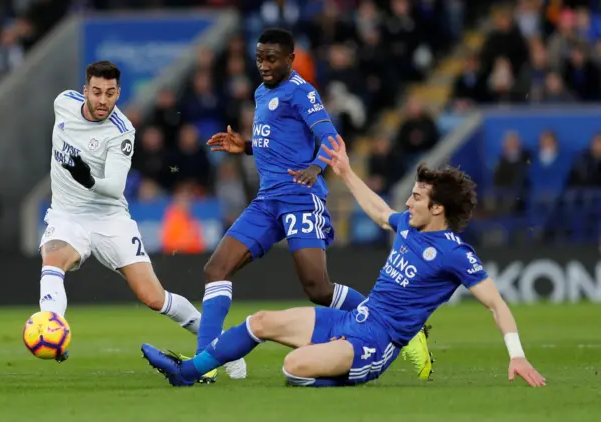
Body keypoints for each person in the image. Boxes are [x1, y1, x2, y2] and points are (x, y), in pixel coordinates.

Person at [141, 135, 546, 388]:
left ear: (438, 209)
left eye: (417, 198)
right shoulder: (409, 226)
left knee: (293, 368)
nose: (408, 203)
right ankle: (188, 372)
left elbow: (497, 304)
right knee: (260, 321)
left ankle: (340, 377)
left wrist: (516, 353)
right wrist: (347, 173)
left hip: (375, 343)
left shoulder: (456, 254)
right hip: (353, 319)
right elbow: (378, 211)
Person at [196, 28, 433, 383]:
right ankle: (203, 363)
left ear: (291, 60)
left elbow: (331, 139)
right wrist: (245, 146)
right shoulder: (262, 92)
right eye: (259, 57)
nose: (263, 64)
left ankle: (404, 328)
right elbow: (279, 142)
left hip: (299, 199)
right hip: (267, 201)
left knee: (318, 289)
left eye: (272, 58)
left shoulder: (302, 92)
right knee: (216, 269)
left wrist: (315, 167)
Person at [37, 60, 245, 379]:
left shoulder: (122, 131)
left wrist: (88, 178)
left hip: (109, 219)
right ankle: (52, 329)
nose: (103, 100)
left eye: (110, 93)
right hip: (67, 215)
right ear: (84, 91)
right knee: (53, 258)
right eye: (96, 92)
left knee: (153, 297)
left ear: (118, 93)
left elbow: (115, 188)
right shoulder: (63, 103)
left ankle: (220, 345)